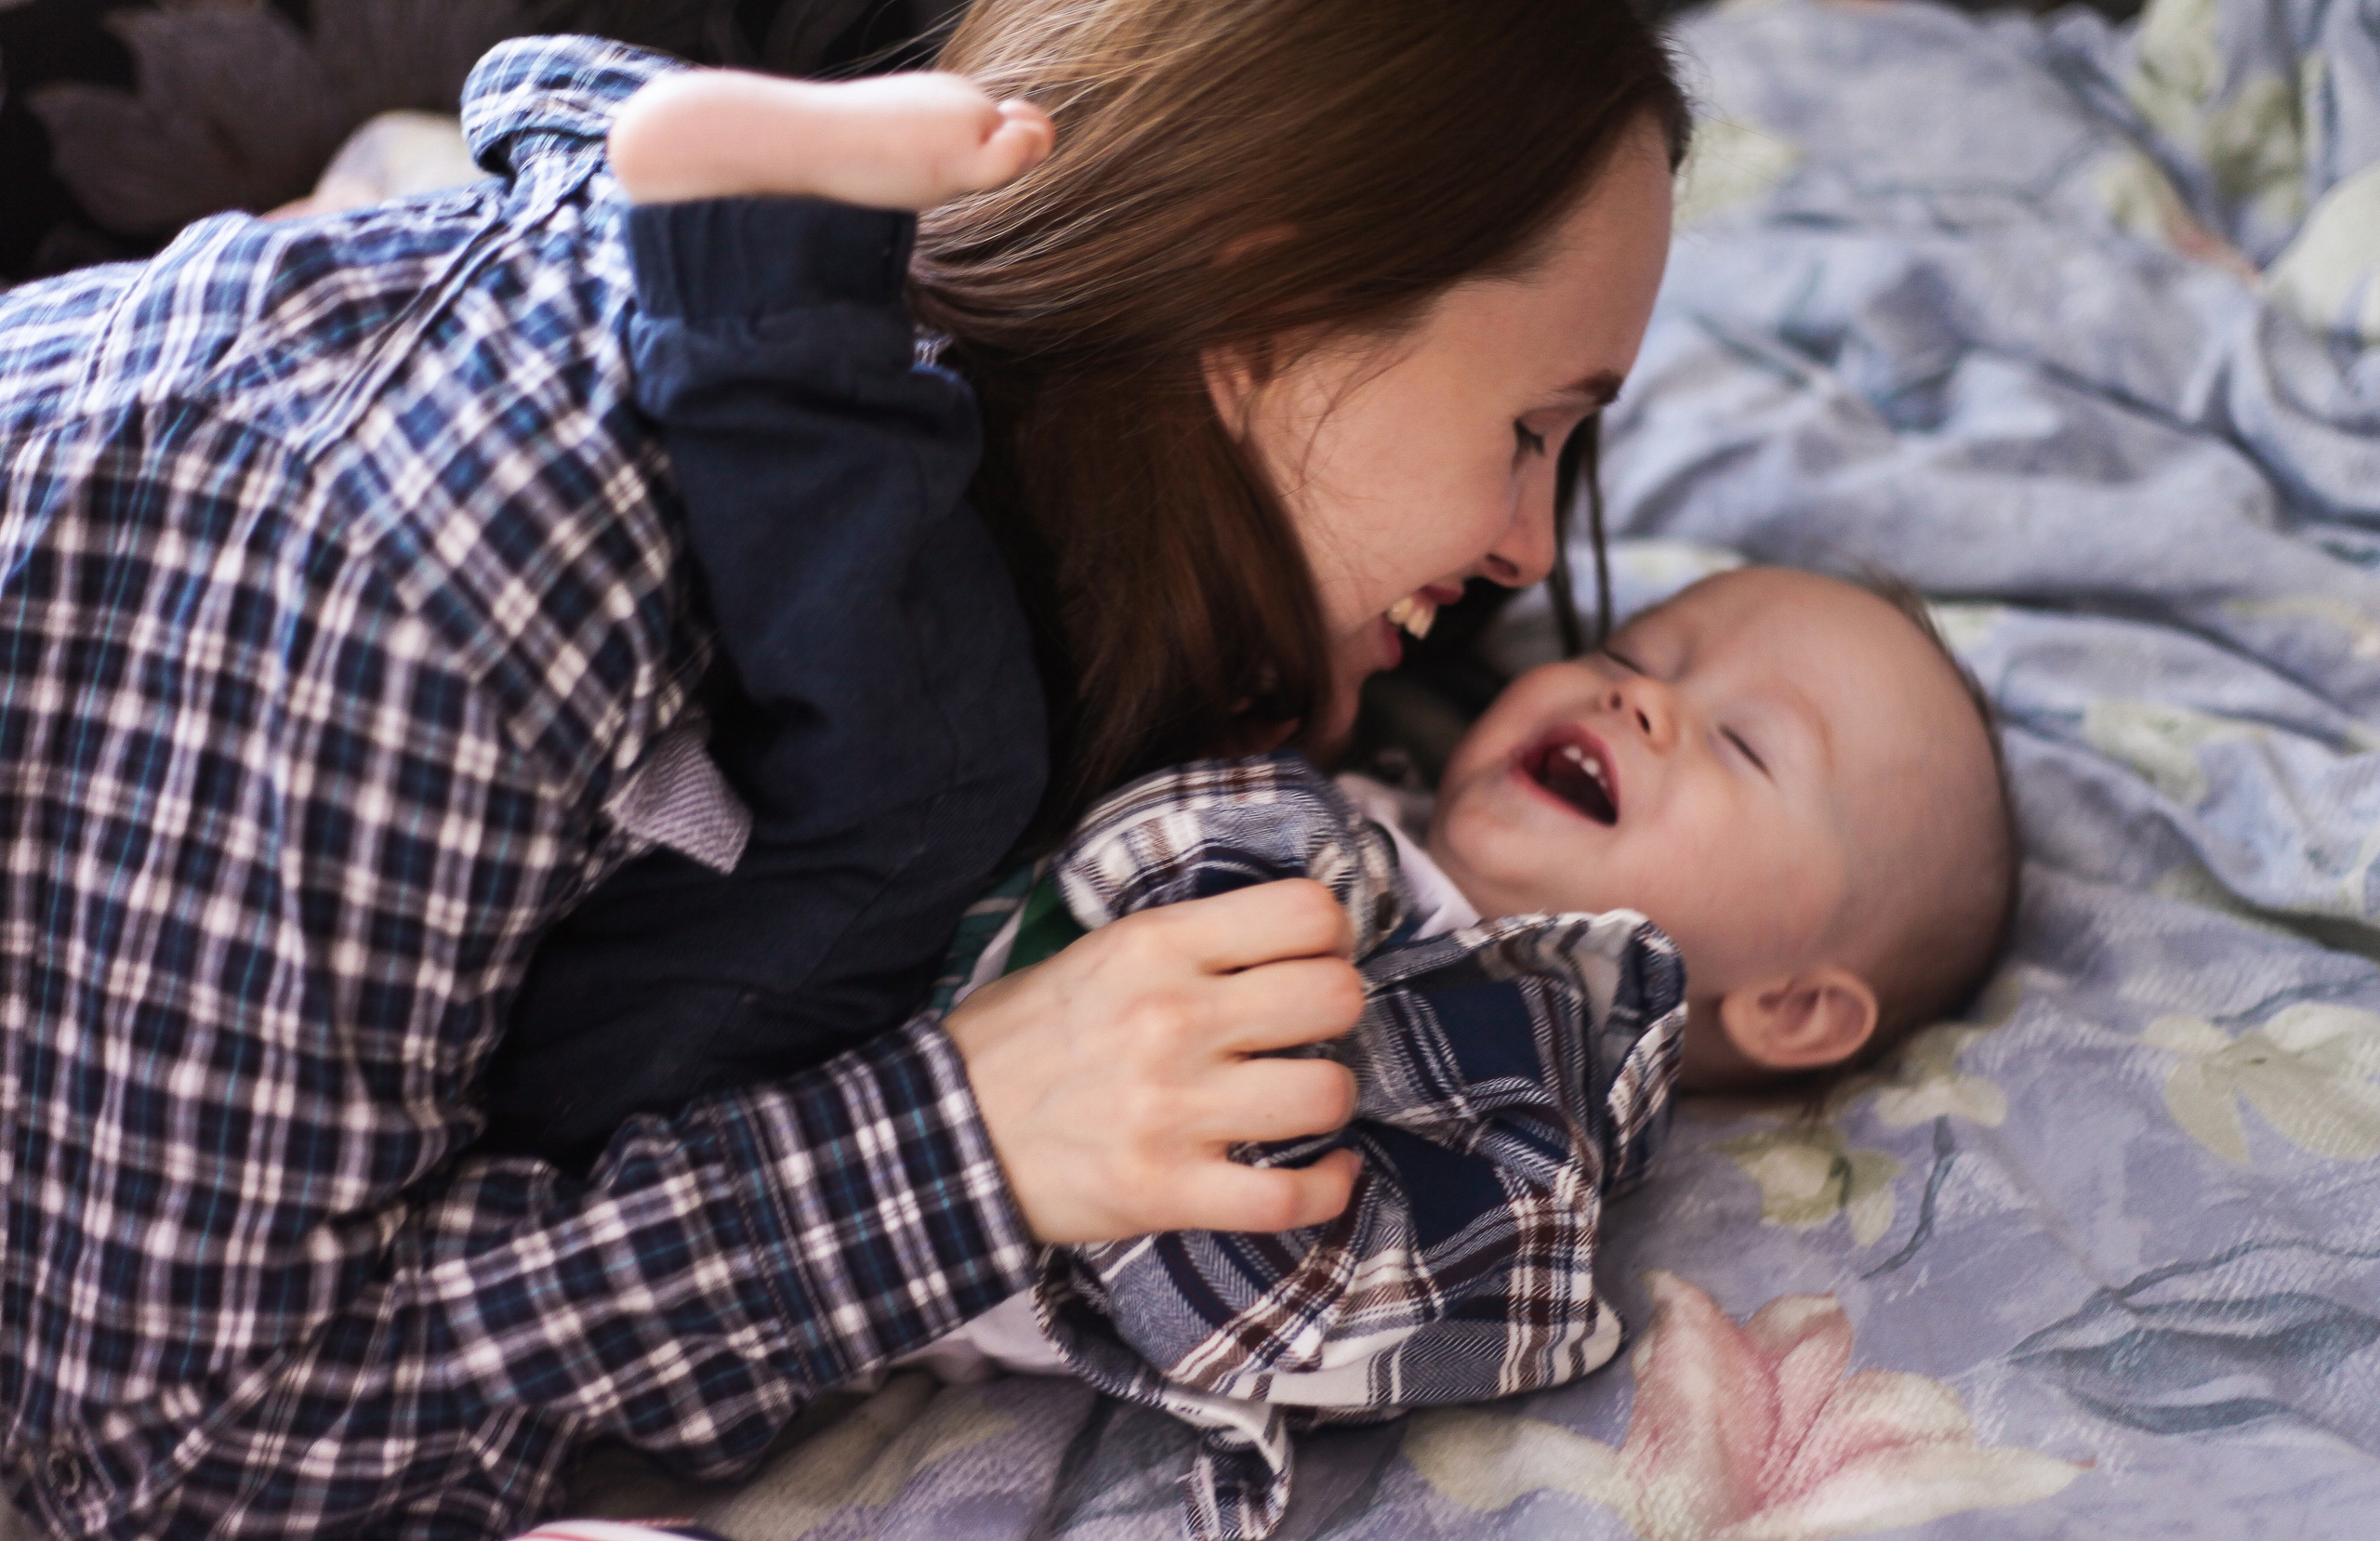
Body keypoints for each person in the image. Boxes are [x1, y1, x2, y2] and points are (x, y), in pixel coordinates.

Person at [0, 3, 1687, 1535]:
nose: (1531, 548)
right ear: (1271, 310)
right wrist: (963, 1142)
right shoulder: (457, 576)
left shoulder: (978, 549)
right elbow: (155, 1447)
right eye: (1533, 428)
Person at [877, 565, 2016, 1539]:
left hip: (887, 1197)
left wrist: (1222, 852)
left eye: (1744, 743)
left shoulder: (1519, 1128)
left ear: (1793, 1007)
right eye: (1632, 651)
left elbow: (1275, 1305)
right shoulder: (1378, 818)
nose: (1641, 697)